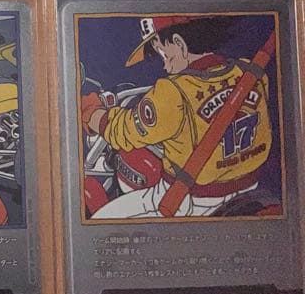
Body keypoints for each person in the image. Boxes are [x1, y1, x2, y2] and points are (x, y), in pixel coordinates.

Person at [81, 16, 273, 219]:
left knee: (102, 219)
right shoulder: (249, 72)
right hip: (249, 187)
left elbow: (123, 131)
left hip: (188, 201)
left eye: (163, 53)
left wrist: (93, 113)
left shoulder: (173, 91)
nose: (165, 66)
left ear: (179, 43)